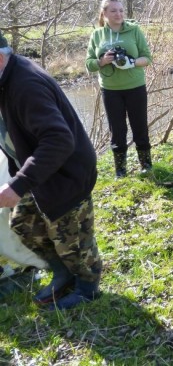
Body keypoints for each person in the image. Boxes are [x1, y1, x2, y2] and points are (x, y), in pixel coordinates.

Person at [0, 29, 103, 309]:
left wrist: (19, 184)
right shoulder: (6, 77)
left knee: (73, 240)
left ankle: (87, 287)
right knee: (24, 225)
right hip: (40, 173)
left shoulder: (25, 85)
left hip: (66, 174)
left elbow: (58, 140)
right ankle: (63, 272)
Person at [85, 0, 153, 178]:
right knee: (117, 129)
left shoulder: (134, 30)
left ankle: (146, 165)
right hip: (110, 89)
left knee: (140, 126)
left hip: (135, 86)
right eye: (114, 11)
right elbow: (89, 64)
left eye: (121, 10)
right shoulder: (97, 35)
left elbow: (147, 58)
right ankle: (120, 170)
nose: (119, 14)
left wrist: (131, 62)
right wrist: (102, 61)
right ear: (104, 14)